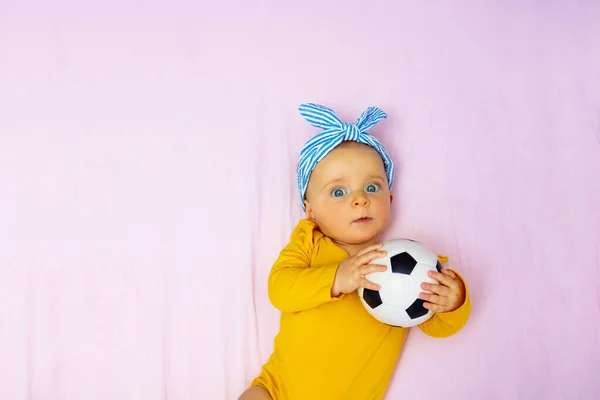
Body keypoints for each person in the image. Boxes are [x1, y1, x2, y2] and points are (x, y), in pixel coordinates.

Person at [239, 103, 471, 400]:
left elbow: (438, 327)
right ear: (310, 211)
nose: (360, 199)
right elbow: (280, 289)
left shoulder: (406, 265)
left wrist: (453, 301)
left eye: (372, 188)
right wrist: (338, 277)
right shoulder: (309, 242)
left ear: (389, 198)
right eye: (338, 192)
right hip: (278, 389)